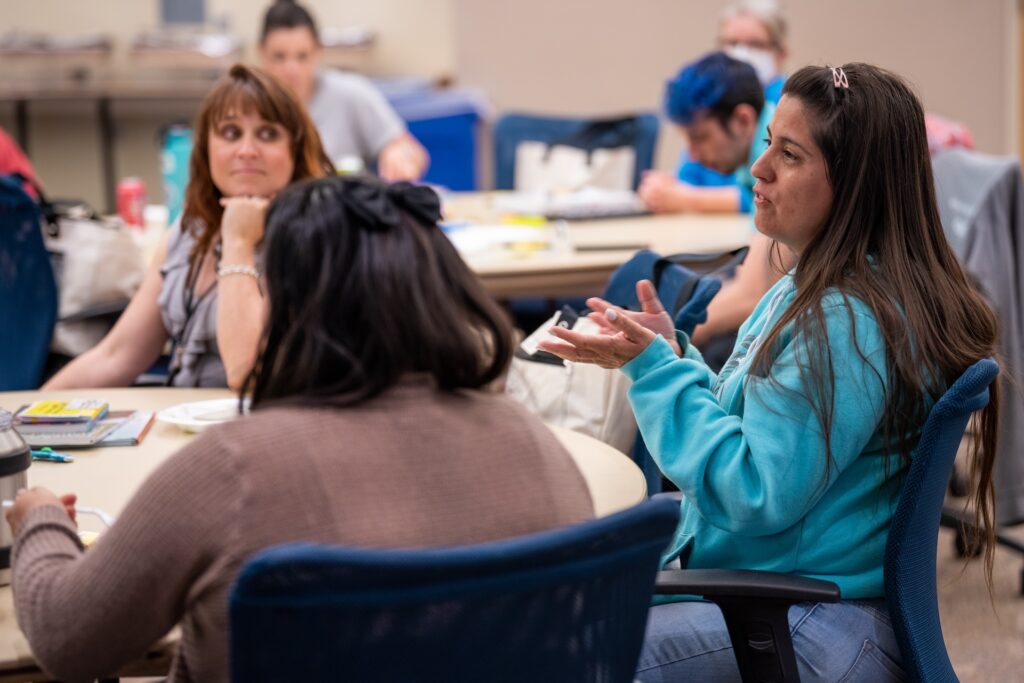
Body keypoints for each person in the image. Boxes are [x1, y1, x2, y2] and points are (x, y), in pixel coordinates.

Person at [5, 174, 594, 683]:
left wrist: (40, 520)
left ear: (292, 303)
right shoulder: (533, 442)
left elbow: (67, 641)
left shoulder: (234, 470)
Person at [539, 63, 1000, 681]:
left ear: (855, 184)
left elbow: (752, 492)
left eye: (790, 154)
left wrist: (657, 375)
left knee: (559, 654)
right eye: (767, 144)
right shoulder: (824, 286)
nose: (758, 169)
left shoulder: (842, 320)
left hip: (800, 619)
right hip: (792, 595)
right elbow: (754, 432)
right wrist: (669, 357)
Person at [43, 64, 333, 390]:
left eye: (267, 134)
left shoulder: (315, 239)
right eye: (231, 133)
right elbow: (116, 356)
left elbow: (248, 373)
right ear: (206, 148)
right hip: (181, 414)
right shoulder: (189, 231)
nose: (246, 151)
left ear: (295, 149)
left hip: (261, 418)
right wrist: (28, 409)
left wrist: (238, 241)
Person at [259, 0, 429, 181]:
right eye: (279, 57)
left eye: (302, 56)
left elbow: (409, 149)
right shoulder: (250, 105)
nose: (291, 69)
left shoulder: (352, 94)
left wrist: (400, 155)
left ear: (318, 52)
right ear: (261, 52)